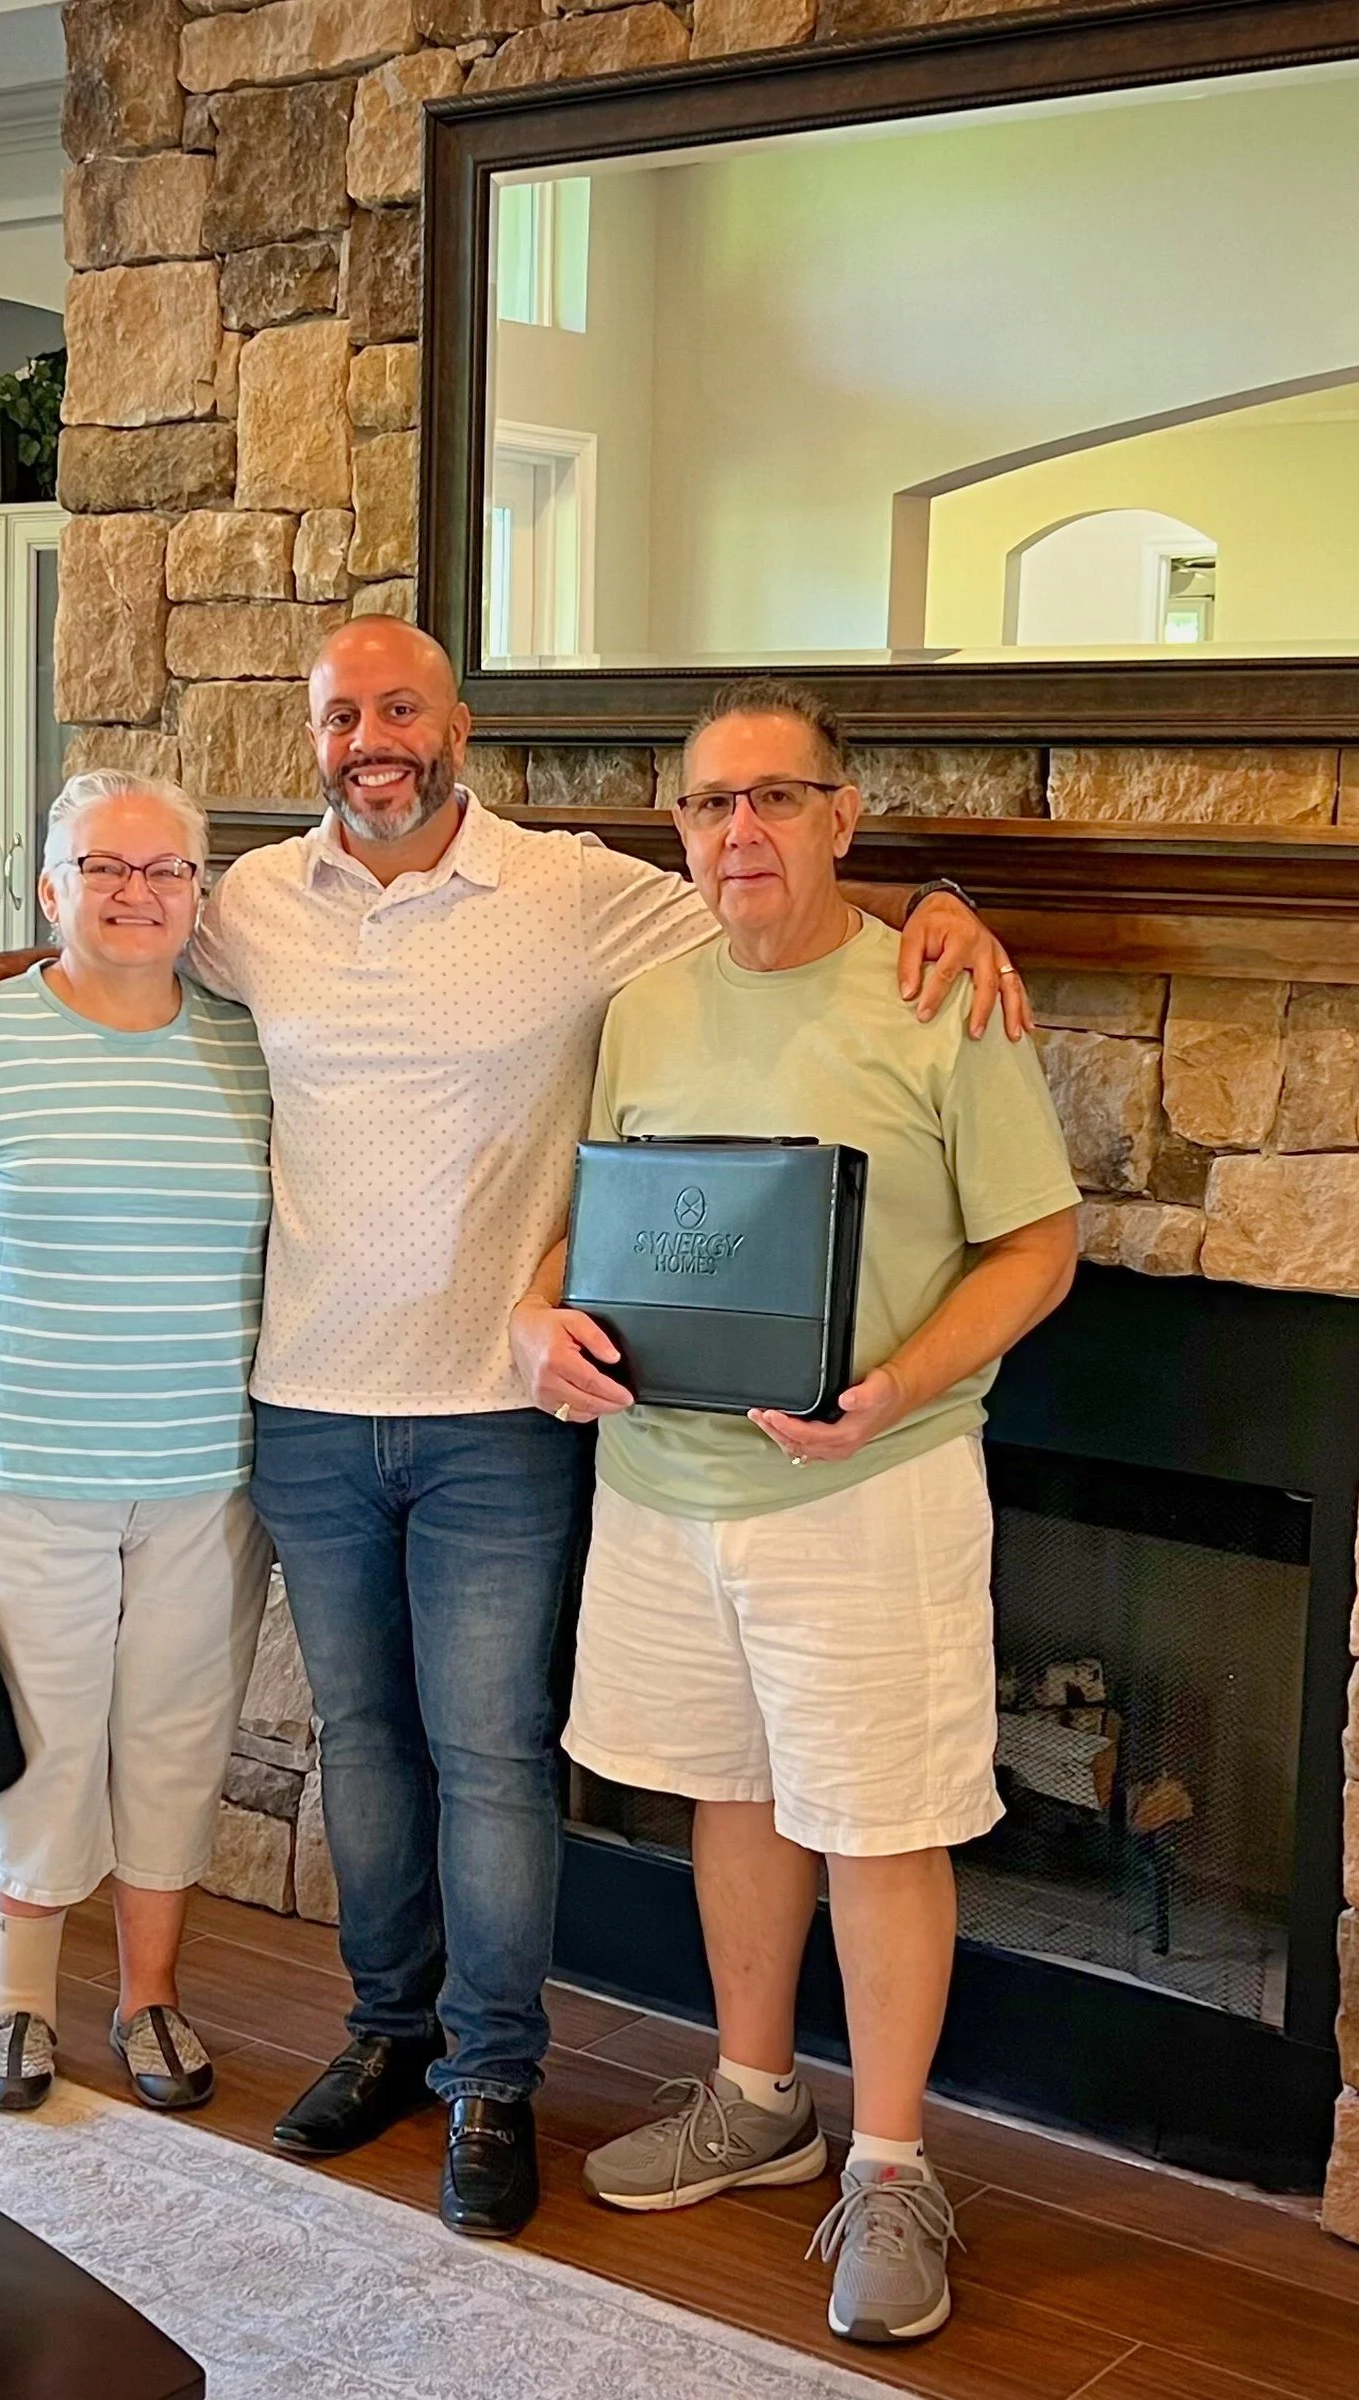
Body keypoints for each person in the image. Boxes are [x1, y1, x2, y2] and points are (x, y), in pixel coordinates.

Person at [0, 618, 1027, 2236]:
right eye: (340, 713)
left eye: (400, 708)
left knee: (491, 1759)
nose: (371, 738)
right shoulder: (251, 904)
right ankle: (387, 2035)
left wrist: (944, 902)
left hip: (502, 1416)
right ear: (314, 740)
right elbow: (119, 933)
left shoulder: (578, 892)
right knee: (364, 1748)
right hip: (304, 1405)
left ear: (458, 728)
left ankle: (492, 2077)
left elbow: (773, 902)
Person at [510, 678, 1079, 2342]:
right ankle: (756, 2100)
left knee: (880, 1822)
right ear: (677, 831)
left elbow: (1036, 1247)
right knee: (731, 1791)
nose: (739, 830)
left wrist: (893, 1388)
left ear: (842, 816)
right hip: (661, 1487)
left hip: (869, 1491)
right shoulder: (646, 1007)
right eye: (708, 804)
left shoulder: (936, 996)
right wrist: (534, 1319)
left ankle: (891, 2170)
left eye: (774, 797)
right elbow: (595, 1222)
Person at [0, 769, 273, 2117]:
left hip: (207, 1474)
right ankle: (18, 2000)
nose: (135, 892)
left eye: (164, 870)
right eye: (103, 867)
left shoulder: (251, 1049)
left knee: (174, 1744)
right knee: (40, 1747)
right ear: (51, 890)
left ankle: (150, 1998)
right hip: (21, 1466)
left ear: (199, 895)